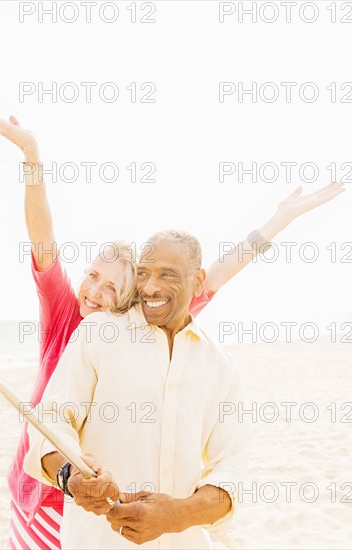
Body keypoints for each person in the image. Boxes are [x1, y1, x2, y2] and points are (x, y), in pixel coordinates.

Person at [0, 92, 345, 550]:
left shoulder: (155, 326)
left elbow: (220, 271)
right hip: (45, 487)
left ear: (129, 296)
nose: (95, 291)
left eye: (113, 287)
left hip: (108, 508)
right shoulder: (69, 316)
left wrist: (279, 220)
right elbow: (43, 238)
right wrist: (32, 156)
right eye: (91, 276)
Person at [23, 230, 250, 549]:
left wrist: (179, 514)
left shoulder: (220, 366)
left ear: (197, 282)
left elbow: (233, 468)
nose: (150, 287)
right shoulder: (97, 333)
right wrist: (70, 473)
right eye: (143, 274)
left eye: (166, 275)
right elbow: (49, 424)